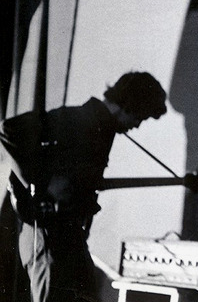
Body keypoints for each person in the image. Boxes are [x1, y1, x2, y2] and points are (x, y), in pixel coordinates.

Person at [0, 72, 167, 302]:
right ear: (129, 105)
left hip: (68, 238)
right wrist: (40, 186)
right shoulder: (81, 118)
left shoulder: (102, 129)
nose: (137, 125)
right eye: (141, 117)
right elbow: (9, 129)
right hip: (47, 237)